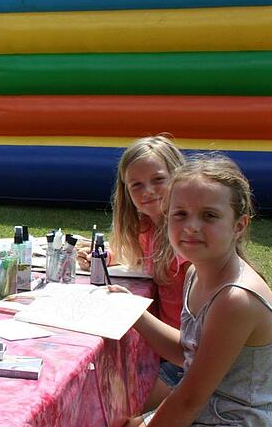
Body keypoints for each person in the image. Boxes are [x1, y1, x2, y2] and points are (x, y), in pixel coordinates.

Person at [117, 156, 272, 426]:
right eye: (180, 214)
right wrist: (135, 312)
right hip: (204, 412)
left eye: (209, 215)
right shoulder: (195, 273)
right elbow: (188, 353)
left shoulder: (235, 299)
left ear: (239, 225)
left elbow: (188, 401)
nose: (191, 226)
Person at [78, 135, 189, 409]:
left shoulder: (188, 240)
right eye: (136, 185)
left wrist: (132, 308)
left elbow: (201, 346)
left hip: (188, 358)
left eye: (158, 179)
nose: (147, 191)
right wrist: (105, 257)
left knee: (121, 409)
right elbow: (135, 253)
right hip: (167, 348)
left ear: (179, 177)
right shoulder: (149, 227)